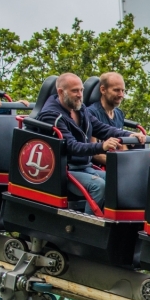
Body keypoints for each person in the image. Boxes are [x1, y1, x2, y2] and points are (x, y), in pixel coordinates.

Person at [36, 73, 135, 214]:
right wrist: (102, 146)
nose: (80, 95)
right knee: (98, 186)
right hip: (64, 169)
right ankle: (89, 228)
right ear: (60, 92)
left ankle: (110, 222)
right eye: (75, 91)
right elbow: (71, 146)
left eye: (81, 90)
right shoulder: (52, 115)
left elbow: (101, 128)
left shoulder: (80, 109)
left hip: (85, 166)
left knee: (118, 181)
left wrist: (128, 134)